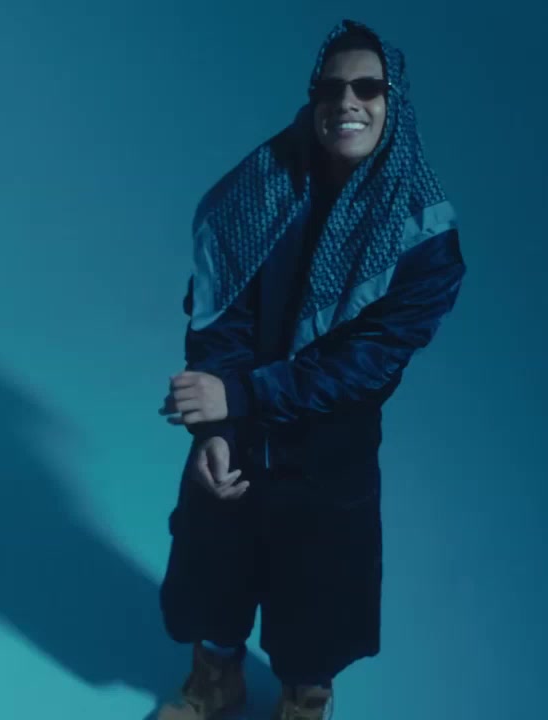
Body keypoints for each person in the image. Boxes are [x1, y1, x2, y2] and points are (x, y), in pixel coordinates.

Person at [156, 20, 465, 720]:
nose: (346, 101)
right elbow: (217, 315)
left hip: (329, 458)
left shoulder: (425, 237)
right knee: (213, 573)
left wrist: (236, 395)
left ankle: (305, 702)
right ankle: (215, 682)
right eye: (330, 88)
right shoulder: (261, 185)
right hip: (238, 435)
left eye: (367, 87)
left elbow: (366, 366)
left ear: (393, 102)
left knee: (317, 606)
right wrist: (213, 431)